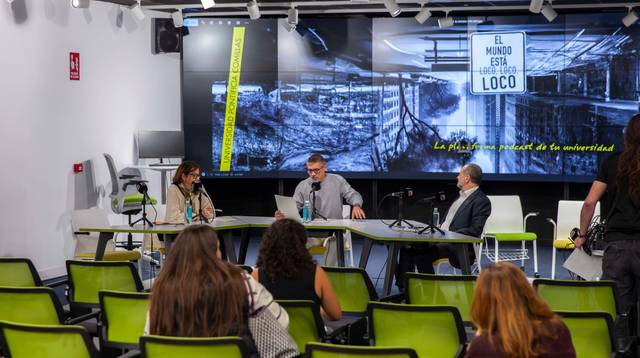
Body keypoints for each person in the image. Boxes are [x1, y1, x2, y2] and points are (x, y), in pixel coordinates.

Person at [147, 224, 293, 357]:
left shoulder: (161, 289)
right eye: (218, 248)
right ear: (215, 253)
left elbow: (150, 338)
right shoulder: (243, 283)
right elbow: (281, 322)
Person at [577, 113, 640, 343]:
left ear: (627, 135)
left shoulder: (611, 162)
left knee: (615, 309)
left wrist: (582, 236)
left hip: (617, 247)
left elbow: (589, 203)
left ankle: (619, 349)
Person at [396, 163, 491, 289]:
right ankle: (404, 289)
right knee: (407, 247)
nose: (457, 177)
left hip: (458, 246)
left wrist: (449, 235)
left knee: (421, 256)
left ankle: (431, 292)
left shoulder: (481, 201)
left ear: (467, 178)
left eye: (460, 174)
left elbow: (476, 229)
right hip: (440, 239)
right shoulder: (460, 196)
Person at [466, 262, 576, 358]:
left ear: (482, 301)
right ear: (527, 290)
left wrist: (478, 338)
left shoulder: (484, 346)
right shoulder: (556, 330)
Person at [275, 153, 366, 265]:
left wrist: (356, 205)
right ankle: (299, 276)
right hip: (312, 233)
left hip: (334, 233)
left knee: (333, 244)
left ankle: (326, 276)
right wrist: (283, 214)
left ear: (325, 168)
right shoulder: (303, 185)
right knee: (294, 242)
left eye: (316, 170)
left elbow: (354, 195)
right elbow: (294, 206)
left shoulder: (337, 181)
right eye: (309, 170)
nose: (313, 174)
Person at [252, 219, 342, 321]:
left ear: (268, 244)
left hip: (271, 336)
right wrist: (317, 309)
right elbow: (336, 315)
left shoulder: (257, 275)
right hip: (310, 336)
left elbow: (250, 315)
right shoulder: (317, 274)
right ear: (302, 244)